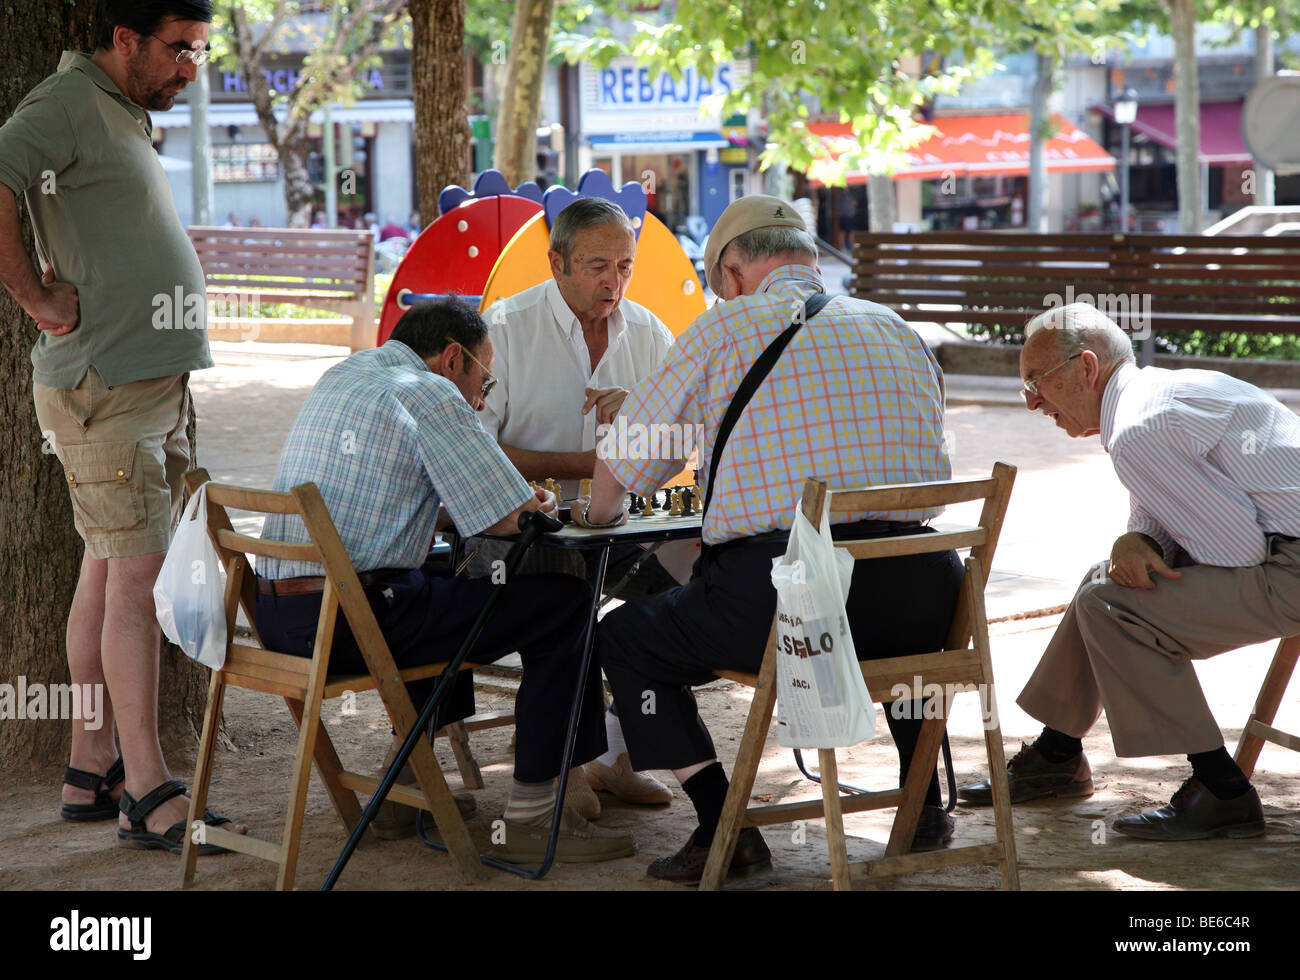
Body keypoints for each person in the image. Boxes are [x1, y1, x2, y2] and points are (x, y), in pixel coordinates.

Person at [579, 195, 962, 882]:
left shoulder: (723, 327)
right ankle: (923, 803)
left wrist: (596, 517)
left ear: (730, 273)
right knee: (896, 614)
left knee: (624, 637)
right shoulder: (896, 327)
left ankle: (722, 824)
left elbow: (629, 463)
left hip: (788, 608)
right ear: (808, 261)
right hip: (926, 601)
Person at [253, 298, 635, 864]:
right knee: (565, 599)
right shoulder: (426, 389)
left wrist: (502, 504)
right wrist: (542, 504)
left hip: (281, 620)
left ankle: (405, 787)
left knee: (445, 576)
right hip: (346, 625)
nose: (482, 399)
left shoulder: (351, 372)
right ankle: (532, 813)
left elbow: (403, 500)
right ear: (453, 359)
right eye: (486, 378)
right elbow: (512, 518)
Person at [0, 0, 246, 854]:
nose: (189, 67)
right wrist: (33, 294)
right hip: (106, 389)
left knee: (107, 578)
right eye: (178, 49)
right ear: (124, 39)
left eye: (200, 53)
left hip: (144, 387)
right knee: (132, 585)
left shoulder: (118, 110)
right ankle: (147, 788)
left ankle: (90, 763)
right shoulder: (63, 102)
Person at [960, 302, 1300, 840]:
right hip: (1285, 551)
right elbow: (1179, 505)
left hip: (1290, 567)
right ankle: (1057, 754)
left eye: (1036, 381)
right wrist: (1139, 539)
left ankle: (1223, 791)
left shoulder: (1137, 427)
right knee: (1106, 581)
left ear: (1086, 368)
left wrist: (1139, 547)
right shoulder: (1157, 392)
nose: (1030, 402)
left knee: (1110, 605)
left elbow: (1236, 551)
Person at [475, 196, 682, 813]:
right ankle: (558, 765)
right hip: (519, 532)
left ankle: (615, 754)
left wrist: (639, 432)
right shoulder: (505, 329)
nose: (613, 282)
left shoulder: (650, 333)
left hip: (617, 529)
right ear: (556, 262)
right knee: (564, 605)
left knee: (683, 598)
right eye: (597, 266)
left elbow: (680, 449)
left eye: (624, 266)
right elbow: (476, 449)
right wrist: (597, 463)